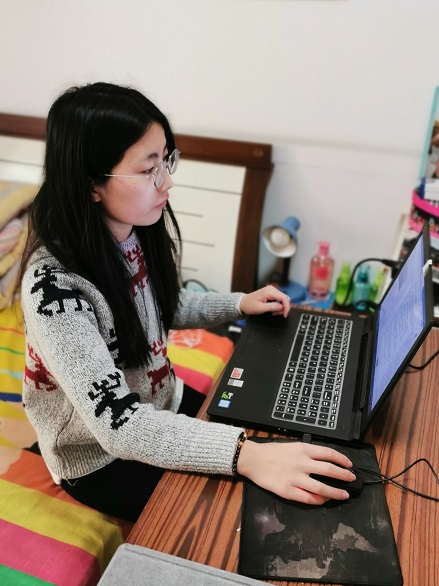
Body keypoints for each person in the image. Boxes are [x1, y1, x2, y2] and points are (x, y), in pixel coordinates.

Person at [20, 82, 355, 523]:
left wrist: (239, 304)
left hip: (163, 402)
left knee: (283, 430)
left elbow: (163, 305)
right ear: (91, 185)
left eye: (166, 161)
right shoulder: (53, 292)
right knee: (246, 513)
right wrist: (245, 455)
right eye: (149, 170)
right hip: (100, 457)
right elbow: (121, 426)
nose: (167, 181)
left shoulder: (131, 229)